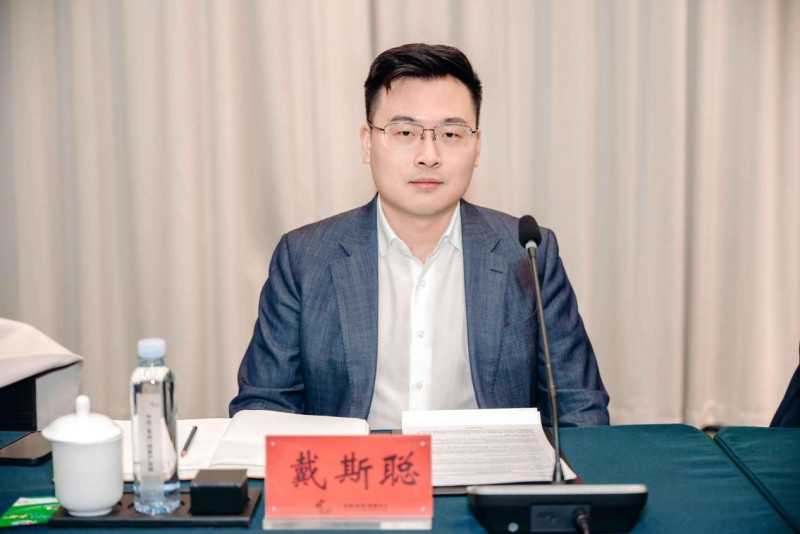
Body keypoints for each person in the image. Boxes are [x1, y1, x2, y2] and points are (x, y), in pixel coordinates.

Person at [229, 43, 609, 428]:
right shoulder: (304, 258)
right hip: (356, 466)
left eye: (451, 133)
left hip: (490, 466)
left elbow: (579, 408)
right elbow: (265, 407)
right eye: (405, 132)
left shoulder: (527, 252)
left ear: (477, 146)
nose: (428, 155)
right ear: (367, 142)